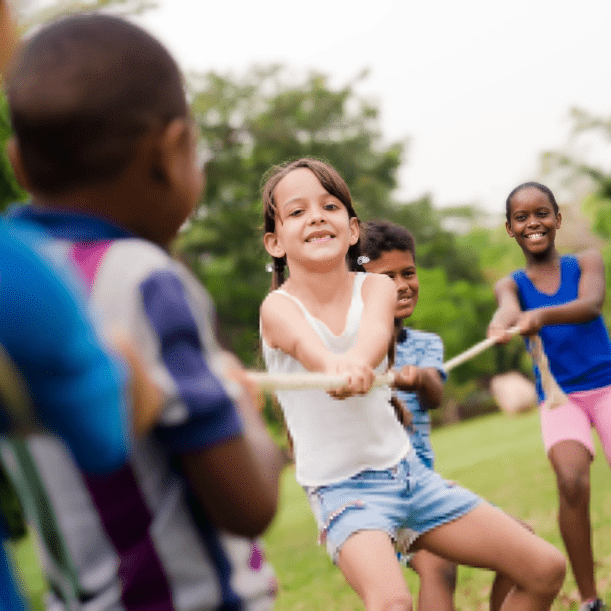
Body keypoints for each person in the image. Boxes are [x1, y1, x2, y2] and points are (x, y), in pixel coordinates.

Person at [4, 13, 282, 611]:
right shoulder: (145, 279)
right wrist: (241, 407)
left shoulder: (14, 286)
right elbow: (246, 505)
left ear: (19, 165)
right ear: (172, 151)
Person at [259, 157, 566, 611]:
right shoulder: (278, 308)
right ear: (275, 241)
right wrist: (333, 366)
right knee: (394, 603)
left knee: (545, 569)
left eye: (329, 206)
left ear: (352, 229)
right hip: (344, 494)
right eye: (297, 211)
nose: (317, 217)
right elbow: (310, 349)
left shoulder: (375, 289)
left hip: (409, 476)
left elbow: (374, 339)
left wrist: (357, 365)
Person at [487, 181, 611, 611]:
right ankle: (590, 599)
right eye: (521, 217)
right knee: (571, 481)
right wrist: (500, 325)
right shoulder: (513, 285)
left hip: (606, 387)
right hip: (560, 399)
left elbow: (591, 304)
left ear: (557, 219)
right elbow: (505, 308)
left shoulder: (587, 262)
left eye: (541, 213)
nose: (532, 223)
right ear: (510, 229)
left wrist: (538, 315)